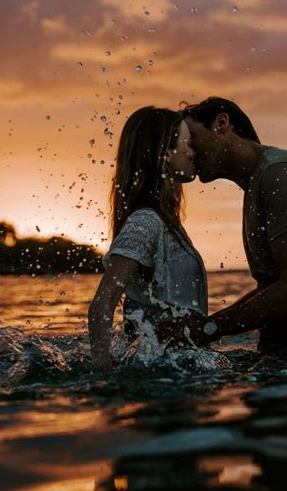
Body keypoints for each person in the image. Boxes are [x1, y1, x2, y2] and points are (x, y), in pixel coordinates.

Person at [181, 97, 287, 357]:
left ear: (221, 123)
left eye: (191, 138)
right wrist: (204, 328)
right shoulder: (260, 182)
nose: (188, 151)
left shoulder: (280, 174)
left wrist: (209, 328)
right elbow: (274, 288)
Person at [88, 107, 208, 373]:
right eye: (187, 144)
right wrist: (101, 377)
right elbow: (102, 304)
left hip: (177, 371)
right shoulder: (146, 222)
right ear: (165, 152)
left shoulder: (164, 221)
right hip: (161, 376)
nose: (193, 152)